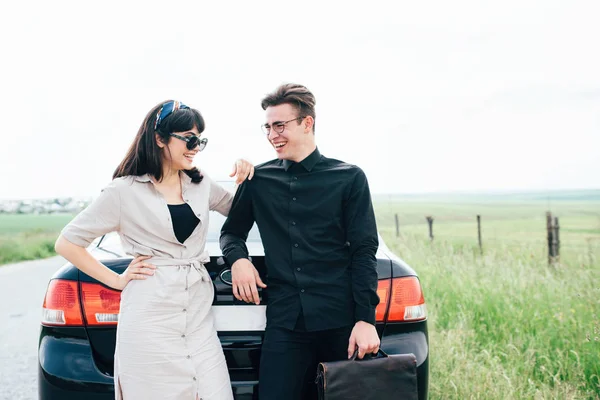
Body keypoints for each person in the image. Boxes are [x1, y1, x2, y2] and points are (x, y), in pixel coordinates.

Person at [55, 100, 254, 400]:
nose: (195, 146)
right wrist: (117, 281)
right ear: (159, 138)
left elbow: (246, 211)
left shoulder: (201, 184)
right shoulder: (123, 191)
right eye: (188, 138)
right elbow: (67, 242)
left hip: (198, 325)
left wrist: (249, 176)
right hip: (149, 324)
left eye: (200, 139)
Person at [220, 84, 381, 400]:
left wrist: (365, 319)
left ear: (307, 123)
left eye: (280, 125)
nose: (272, 135)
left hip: (342, 322)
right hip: (286, 322)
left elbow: (364, 250)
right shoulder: (257, 180)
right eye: (268, 127)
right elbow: (231, 232)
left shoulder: (349, 178)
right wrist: (238, 260)